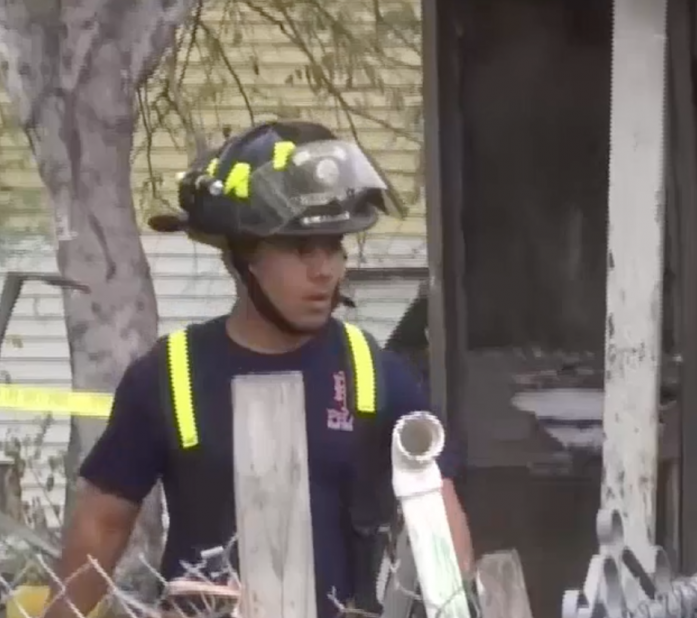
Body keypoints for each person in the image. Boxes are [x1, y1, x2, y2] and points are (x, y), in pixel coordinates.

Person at [46, 120, 473, 618]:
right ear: (244, 256)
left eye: (334, 247)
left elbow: (437, 518)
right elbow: (103, 524)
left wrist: (458, 605)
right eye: (300, 249)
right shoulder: (171, 375)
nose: (325, 270)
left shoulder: (375, 374)